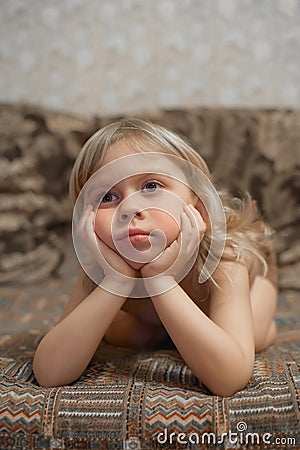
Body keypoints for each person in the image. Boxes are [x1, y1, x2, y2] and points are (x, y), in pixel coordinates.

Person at [33, 118, 278, 396]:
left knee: (253, 334)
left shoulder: (226, 260)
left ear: (198, 208)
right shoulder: (99, 268)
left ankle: (260, 328)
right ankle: (166, 329)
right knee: (125, 336)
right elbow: (50, 374)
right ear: (85, 221)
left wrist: (160, 280)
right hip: (148, 314)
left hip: (251, 272)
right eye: (107, 197)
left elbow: (230, 380)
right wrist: (116, 281)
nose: (129, 207)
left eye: (151, 186)